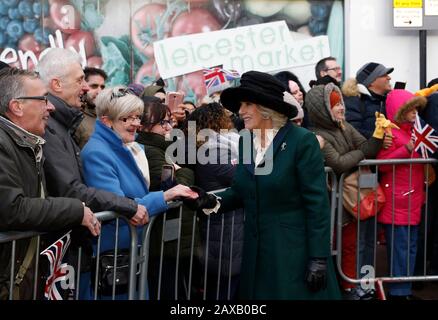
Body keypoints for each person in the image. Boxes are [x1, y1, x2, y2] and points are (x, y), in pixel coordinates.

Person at [190, 71, 341, 299]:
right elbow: (241, 191)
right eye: (241, 105)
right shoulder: (246, 142)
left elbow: (317, 204)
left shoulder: (301, 141)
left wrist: (318, 257)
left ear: (267, 108)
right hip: (257, 255)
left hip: (293, 254)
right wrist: (211, 201)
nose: (240, 111)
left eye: (248, 104)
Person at [80, 86, 198, 298]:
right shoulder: (97, 152)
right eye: (128, 118)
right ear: (107, 121)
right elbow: (117, 204)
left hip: (132, 251)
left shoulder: (128, 146)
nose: (136, 123)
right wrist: (163, 197)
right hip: (114, 254)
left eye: (137, 117)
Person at [0, 68, 100, 300]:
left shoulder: (23, 142)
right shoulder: (4, 143)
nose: (51, 107)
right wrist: (76, 210)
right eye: (43, 99)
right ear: (17, 106)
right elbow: (12, 209)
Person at [37, 48, 147, 223]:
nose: (86, 87)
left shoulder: (61, 123)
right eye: (80, 80)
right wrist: (129, 205)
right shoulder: (47, 127)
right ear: (57, 84)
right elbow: (70, 189)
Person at [305, 82, 392, 300]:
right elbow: (339, 164)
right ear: (322, 108)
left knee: (366, 244)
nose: (341, 108)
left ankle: (364, 284)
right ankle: (349, 288)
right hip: (341, 205)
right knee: (349, 248)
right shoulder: (316, 135)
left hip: (360, 197)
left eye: (341, 102)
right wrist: (361, 152)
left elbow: (367, 147)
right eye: (335, 104)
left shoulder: (344, 126)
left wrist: (368, 145)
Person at [136, 97, 199, 299]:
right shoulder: (152, 152)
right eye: (162, 122)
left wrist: (180, 169)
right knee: (165, 288)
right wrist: (184, 171)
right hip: (160, 237)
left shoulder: (164, 148)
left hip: (169, 235)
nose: (168, 127)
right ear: (145, 126)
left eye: (169, 121)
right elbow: (174, 186)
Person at [184, 102, 244, 300]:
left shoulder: (223, 146)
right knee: (223, 288)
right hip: (224, 227)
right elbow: (242, 178)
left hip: (230, 226)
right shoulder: (212, 151)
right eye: (225, 116)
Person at [376, 89, 427, 300]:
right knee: (400, 249)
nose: (415, 112)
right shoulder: (390, 133)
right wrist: (406, 149)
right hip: (398, 200)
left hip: (412, 198)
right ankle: (399, 291)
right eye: (411, 108)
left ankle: (404, 289)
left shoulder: (415, 132)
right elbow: (382, 164)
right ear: (401, 110)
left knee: (410, 247)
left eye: (416, 108)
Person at [343, 62, 393, 139]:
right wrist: (379, 139)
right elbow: (353, 131)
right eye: (384, 75)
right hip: (366, 149)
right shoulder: (354, 101)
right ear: (371, 81)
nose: (389, 78)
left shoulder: (388, 100)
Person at [74, 67, 107, 149]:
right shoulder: (74, 116)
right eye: (94, 86)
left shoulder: (107, 116)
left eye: (102, 87)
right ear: (83, 86)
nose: (99, 91)